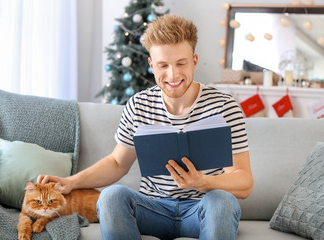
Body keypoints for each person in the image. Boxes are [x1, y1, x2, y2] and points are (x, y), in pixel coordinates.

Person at [37, 14, 253, 240]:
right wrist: (71, 182)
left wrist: (203, 182)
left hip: (202, 209)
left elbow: (244, 183)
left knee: (223, 200)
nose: (173, 74)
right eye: (163, 65)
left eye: (181, 63)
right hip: (153, 209)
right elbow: (118, 163)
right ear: (151, 65)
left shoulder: (224, 106)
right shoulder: (139, 105)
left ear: (194, 61)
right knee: (112, 196)